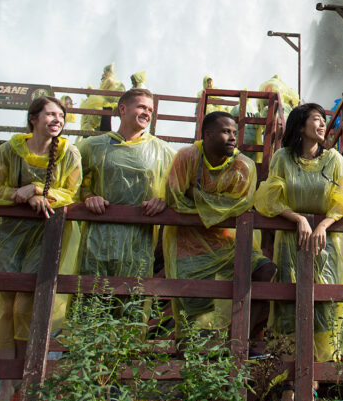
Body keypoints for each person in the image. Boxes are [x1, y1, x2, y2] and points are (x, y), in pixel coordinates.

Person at [0, 97, 82, 401]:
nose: (57, 118)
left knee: (25, 308)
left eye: (61, 115)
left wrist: (37, 191)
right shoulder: (10, 151)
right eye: (50, 113)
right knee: (5, 308)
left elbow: (72, 192)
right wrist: (14, 194)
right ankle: (6, 386)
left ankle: (17, 378)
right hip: (9, 237)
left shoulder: (69, 154)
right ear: (33, 118)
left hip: (45, 238)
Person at [254, 103, 343, 376]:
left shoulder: (334, 160)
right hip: (291, 243)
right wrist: (299, 219)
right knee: (289, 309)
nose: (323, 124)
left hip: (328, 247)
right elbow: (270, 197)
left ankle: (311, 386)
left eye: (324, 119)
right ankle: (290, 387)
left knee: (323, 312)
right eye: (316, 119)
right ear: (301, 125)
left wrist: (323, 224)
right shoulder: (282, 158)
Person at [164, 111, 276, 352]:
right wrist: (210, 204)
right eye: (226, 132)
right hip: (188, 244)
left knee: (265, 270)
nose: (233, 138)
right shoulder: (187, 157)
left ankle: (241, 338)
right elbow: (173, 198)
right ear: (207, 135)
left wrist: (195, 195)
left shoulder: (243, 166)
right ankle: (189, 360)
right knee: (195, 309)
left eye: (235, 133)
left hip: (226, 243)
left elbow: (238, 205)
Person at [77, 88, 174, 283]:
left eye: (150, 110)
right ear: (123, 109)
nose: (147, 113)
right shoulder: (93, 146)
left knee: (133, 302)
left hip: (140, 241)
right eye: (141, 107)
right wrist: (88, 196)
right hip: (97, 240)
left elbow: (181, 183)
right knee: (90, 298)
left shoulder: (160, 150)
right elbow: (71, 180)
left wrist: (164, 200)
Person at [98, 63, 125, 132]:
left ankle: (104, 132)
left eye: (105, 72)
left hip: (111, 105)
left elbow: (103, 93)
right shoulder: (110, 81)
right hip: (107, 105)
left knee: (106, 115)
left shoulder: (112, 82)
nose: (103, 74)